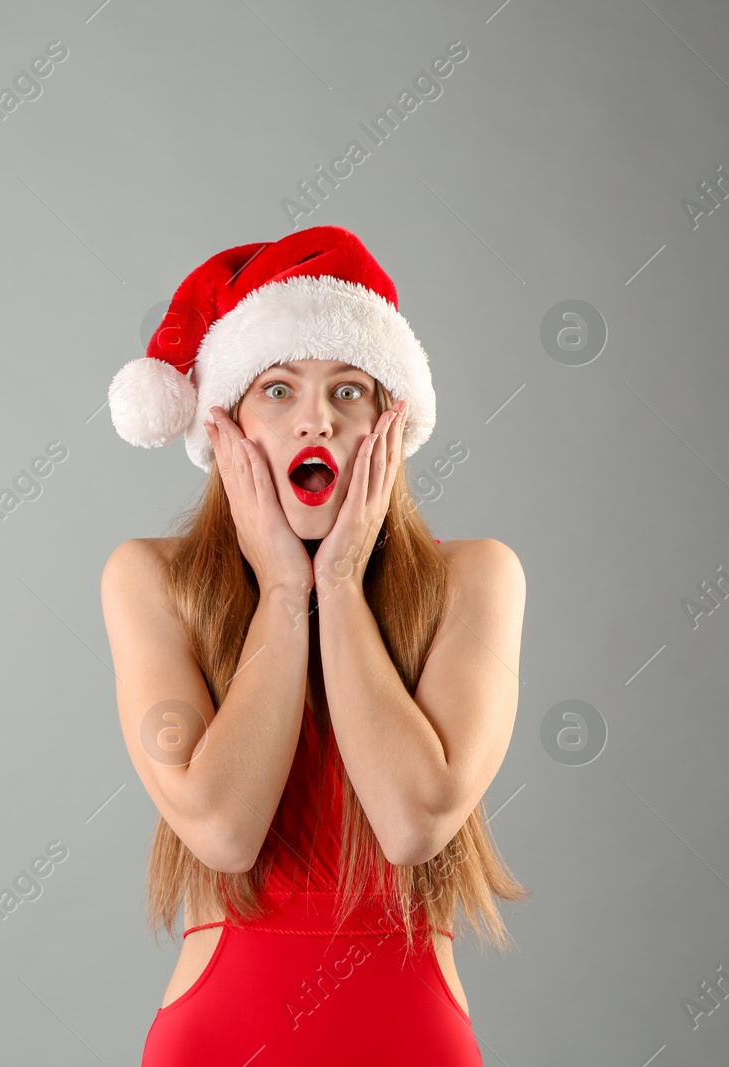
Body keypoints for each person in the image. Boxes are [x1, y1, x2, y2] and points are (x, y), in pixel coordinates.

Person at [100, 226, 528, 1065]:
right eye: (276, 390)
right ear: (224, 426)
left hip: (411, 1040)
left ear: (390, 422)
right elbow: (223, 829)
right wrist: (284, 592)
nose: (315, 422)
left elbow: (413, 821)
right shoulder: (148, 579)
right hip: (217, 1041)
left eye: (349, 392)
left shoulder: (477, 578)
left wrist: (337, 585)